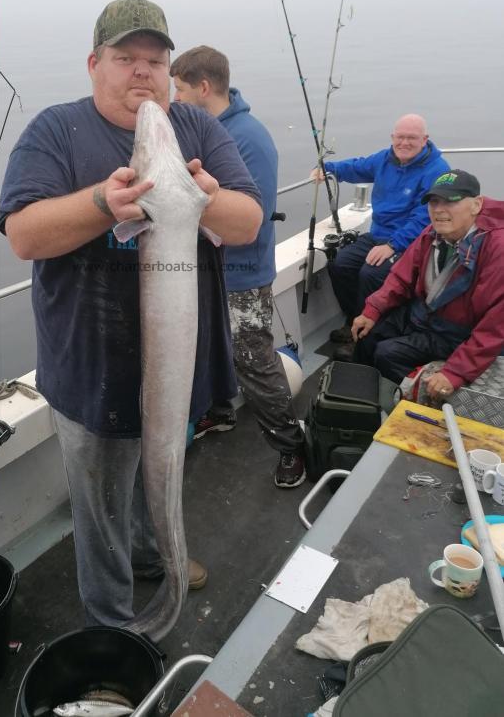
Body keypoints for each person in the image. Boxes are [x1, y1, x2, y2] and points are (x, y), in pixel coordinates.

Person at [0, 0, 262, 628]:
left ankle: (158, 556)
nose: (142, 72)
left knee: (163, 462)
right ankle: (114, 622)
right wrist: (100, 204)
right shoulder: (55, 131)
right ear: (95, 64)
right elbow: (24, 237)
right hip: (88, 366)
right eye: (125, 58)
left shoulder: (195, 129)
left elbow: (248, 221)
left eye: (155, 60)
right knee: (101, 506)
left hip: (179, 361)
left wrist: (205, 198)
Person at [170, 45, 306, 488]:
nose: (173, 99)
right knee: (205, 351)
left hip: (242, 275)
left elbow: (255, 214)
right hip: (204, 272)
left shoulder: (247, 137)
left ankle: (291, 447)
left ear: (204, 87)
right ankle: (220, 412)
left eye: (180, 89)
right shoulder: (202, 130)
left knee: (254, 362)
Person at [351, 170, 504, 401]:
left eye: (451, 201)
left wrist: (455, 372)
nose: (439, 210)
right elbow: (401, 277)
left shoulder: (496, 248)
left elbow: (495, 326)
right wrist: (373, 310)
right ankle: (357, 402)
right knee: (365, 335)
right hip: (424, 316)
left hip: (460, 333)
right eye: (434, 201)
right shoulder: (432, 233)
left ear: (476, 205)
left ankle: (428, 403)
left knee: (387, 354)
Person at [311, 113, 450, 358]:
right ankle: (354, 321)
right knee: (340, 264)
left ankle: (364, 338)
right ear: (392, 138)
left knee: (371, 274)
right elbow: (357, 166)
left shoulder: (436, 170)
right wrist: (328, 169)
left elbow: (425, 217)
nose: (404, 143)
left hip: (412, 244)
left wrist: (393, 245)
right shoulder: (385, 159)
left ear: (425, 139)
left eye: (412, 138)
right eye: (400, 137)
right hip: (378, 235)